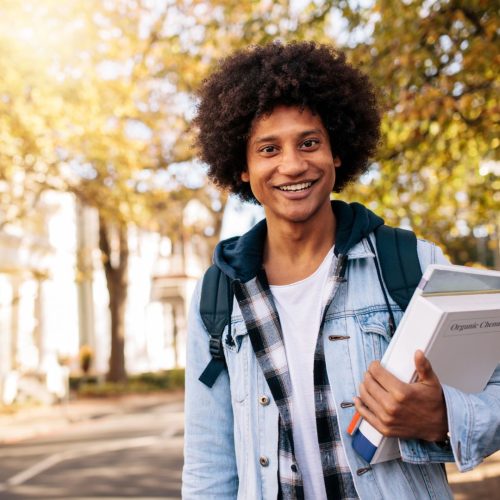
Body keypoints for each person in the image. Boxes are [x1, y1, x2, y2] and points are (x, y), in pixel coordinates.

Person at [182, 41, 500, 500]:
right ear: (243, 169)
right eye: (268, 149)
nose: (292, 164)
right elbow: (209, 464)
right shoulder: (218, 296)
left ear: (336, 153)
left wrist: (445, 416)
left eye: (309, 142)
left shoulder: (412, 264)